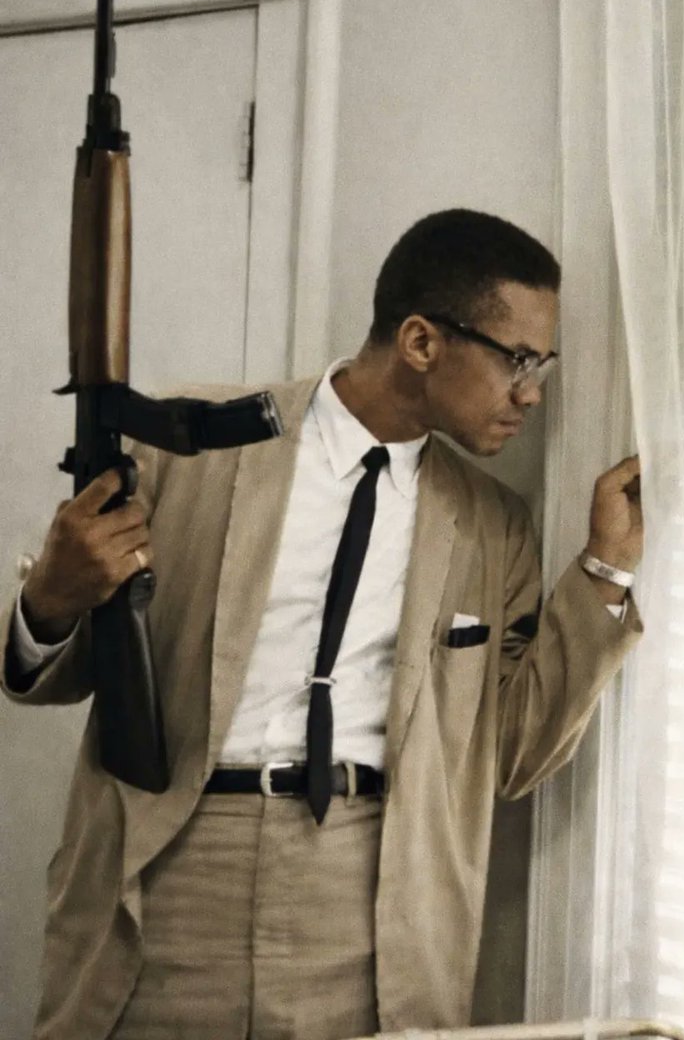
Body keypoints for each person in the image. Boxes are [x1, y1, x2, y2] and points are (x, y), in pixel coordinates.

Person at [2, 208, 643, 1040]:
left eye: (542, 367)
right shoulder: (194, 442)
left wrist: (605, 570)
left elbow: (510, 755)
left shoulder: (493, 527)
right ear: (421, 342)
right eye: (518, 361)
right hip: (168, 870)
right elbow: (54, 666)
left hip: (372, 897)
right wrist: (50, 597)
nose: (531, 393)